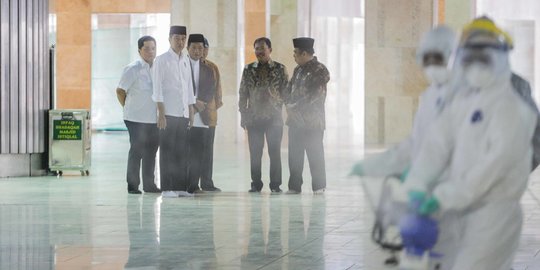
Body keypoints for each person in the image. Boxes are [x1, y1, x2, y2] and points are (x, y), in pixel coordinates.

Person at [404, 17, 537, 269]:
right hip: (459, 209)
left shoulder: (512, 109)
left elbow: (493, 167)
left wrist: (443, 197)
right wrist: (417, 184)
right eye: (470, 57)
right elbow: (437, 144)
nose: (476, 66)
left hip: (494, 212)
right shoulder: (464, 102)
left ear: (500, 57)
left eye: (484, 57)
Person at [350, 26, 457, 180]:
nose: (432, 66)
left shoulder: (464, 96)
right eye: (428, 60)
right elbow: (416, 142)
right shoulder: (429, 96)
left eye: (438, 60)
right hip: (428, 183)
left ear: (451, 57)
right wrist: (376, 164)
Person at [239, 37, 289, 193]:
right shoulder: (248, 69)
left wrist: (281, 105)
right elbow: (242, 94)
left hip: (274, 118)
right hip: (254, 119)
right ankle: (256, 183)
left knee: (274, 152)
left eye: (262, 48)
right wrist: (243, 115)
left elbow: (286, 93)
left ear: (270, 50)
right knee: (255, 154)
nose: (259, 52)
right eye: (256, 49)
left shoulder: (280, 69)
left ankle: (275, 185)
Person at [152, 25, 196, 198]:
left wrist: (191, 112)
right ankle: (167, 188)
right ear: (169, 39)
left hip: (183, 113)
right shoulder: (161, 60)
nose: (180, 41)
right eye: (177, 38)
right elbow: (157, 89)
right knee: (168, 151)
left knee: (182, 152)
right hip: (168, 114)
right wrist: (161, 113)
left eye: (183, 38)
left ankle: (180, 187)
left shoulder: (185, 60)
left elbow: (189, 88)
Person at [284, 37, 330, 195]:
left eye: (296, 53)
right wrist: (288, 103)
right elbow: (288, 89)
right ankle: (294, 186)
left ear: (304, 53)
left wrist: (295, 106)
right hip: (295, 121)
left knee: (315, 153)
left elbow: (316, 95)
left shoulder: (320, 70)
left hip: (312, 122)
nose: (294, 56)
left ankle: (318, 186)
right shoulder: (298, 70)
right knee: (294, 154)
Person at [116, 35, 161, 194]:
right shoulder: (132, 68)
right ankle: (133, 185)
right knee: (137, 150)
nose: (150, 51)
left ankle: (150, 185)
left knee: (151, 151)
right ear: (139, 50)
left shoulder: (158, 68)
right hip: (135, 119)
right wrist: (128, 107)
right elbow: (120, 91)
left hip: (153, 119)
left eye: (153, 48)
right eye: (147, 48)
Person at [185, 34, 217, 194]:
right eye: (194, 48)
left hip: (201, 115)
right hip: (184, 114)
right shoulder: (181, 65)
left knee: (198, 152)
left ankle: (194, 185)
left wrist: (198, 105)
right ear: (187, 48)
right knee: (185, 152)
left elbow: (210, 90)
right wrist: (190, 104)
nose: (197, 51)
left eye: (200, 48)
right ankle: (183, 184)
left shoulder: (208, 69)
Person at [199, 37, 223, 192]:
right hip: (192, 115)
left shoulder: (212, 67)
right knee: (192, 151)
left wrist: (212, 108)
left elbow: (218, 93)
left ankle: (207, 182)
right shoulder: (186, 65)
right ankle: (191, 181)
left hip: (209, 116)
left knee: (207, 151)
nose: (202, 52)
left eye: (205, 49)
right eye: (199, 48)